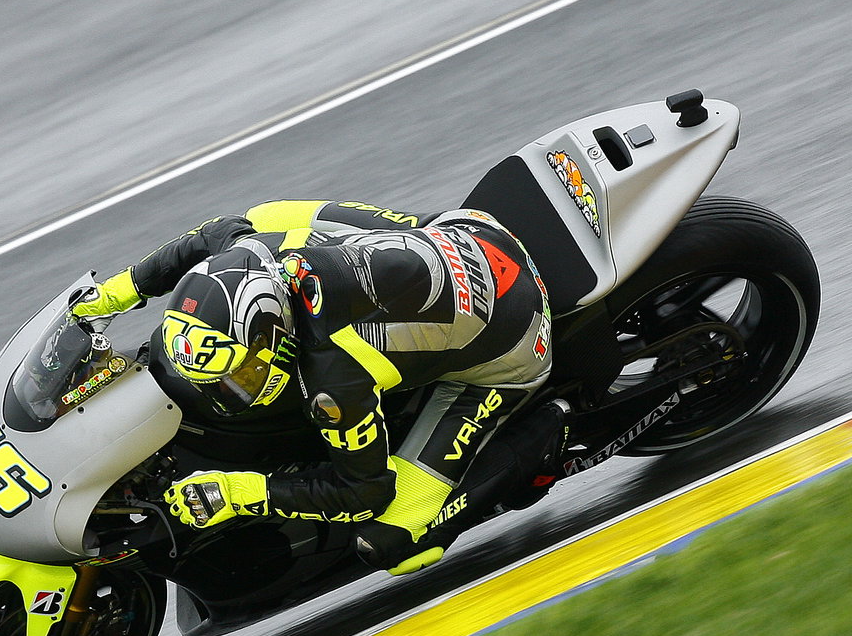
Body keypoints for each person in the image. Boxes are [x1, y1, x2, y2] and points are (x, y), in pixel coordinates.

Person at [70, 199, 562, 575]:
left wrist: (240, 492)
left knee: (393, 539)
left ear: (275, 339)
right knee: (262, 216)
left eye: (240, 377)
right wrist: (116, 293)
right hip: (467, 232)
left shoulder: (335, 379)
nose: (227, 395)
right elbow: (207, 237)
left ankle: (548, 432)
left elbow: (364, 492)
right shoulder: (246, 256)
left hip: (516, 338)